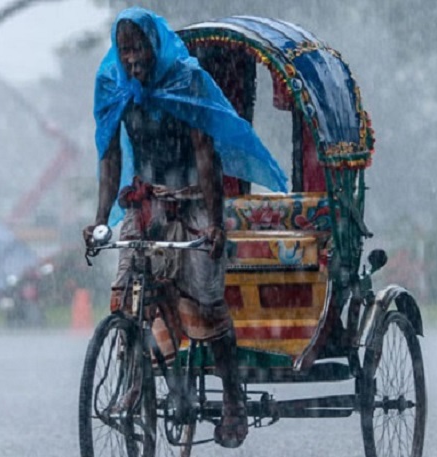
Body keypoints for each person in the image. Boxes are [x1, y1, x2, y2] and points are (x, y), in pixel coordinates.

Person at [84, 7, 287, 449]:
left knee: (207, 300)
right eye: (125, 51)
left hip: (194, 201)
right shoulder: (114, 85)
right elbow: (110, 157)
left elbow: (204, 154)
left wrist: (215, 225)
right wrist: (100, 220)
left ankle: (232, 398)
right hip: (145, 203)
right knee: (127, 295)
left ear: (155, 46)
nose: (133, 59)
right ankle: (135, 376)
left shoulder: (185, 80)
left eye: (139, 49)